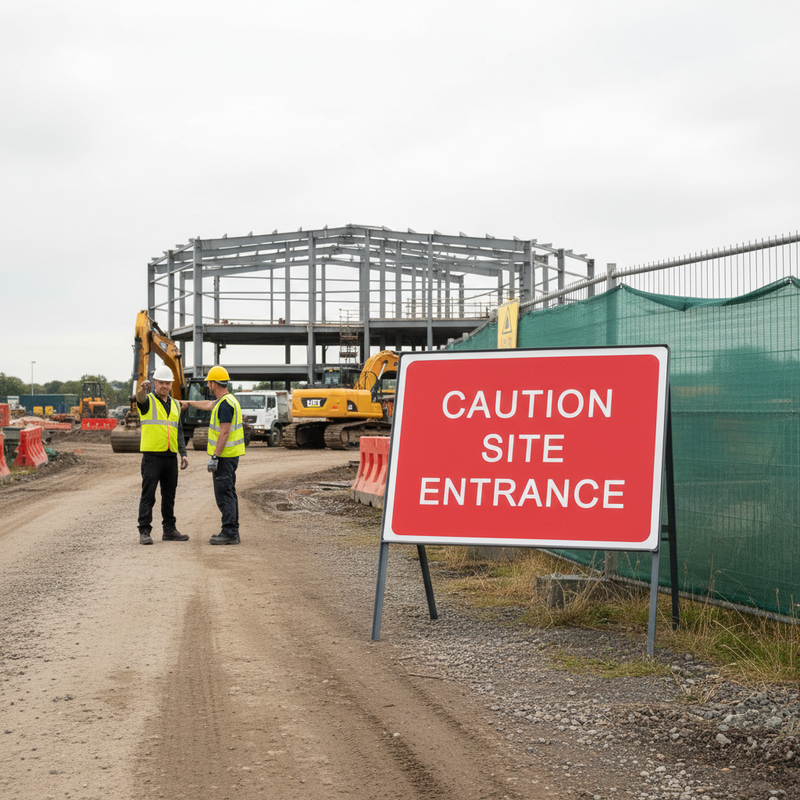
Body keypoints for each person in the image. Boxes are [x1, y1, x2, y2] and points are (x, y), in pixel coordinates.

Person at [180, 365, 244, 545]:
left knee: (224, 494)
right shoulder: (228, 400)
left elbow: (224, 432)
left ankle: (230, 532)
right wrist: (188, 402)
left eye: (209, 381)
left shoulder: (224, 404)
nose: (208, 385)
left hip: (224, 457)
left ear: (215, 383)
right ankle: (232, 530)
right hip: (231, 456)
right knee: (229, 492)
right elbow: (208, 405)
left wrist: (215, 456)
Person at [137, 365, 189, 545]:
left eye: (167, 383)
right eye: (161, 383)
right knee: (148, 495)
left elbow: (179, 431)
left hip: (170, 457)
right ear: (155, 383)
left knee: (169, 495)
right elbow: (140, 400)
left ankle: (169, 530)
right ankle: (144, 530)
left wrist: (183, 453)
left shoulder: (175, 404)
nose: (164, 386)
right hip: (152, 456)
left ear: (171, 385)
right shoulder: (148, 400)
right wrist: (142, 389)